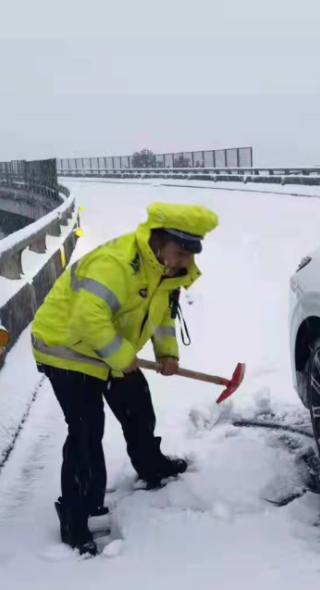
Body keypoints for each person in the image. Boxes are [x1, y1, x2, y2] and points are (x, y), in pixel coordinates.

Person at [31, 202, 219, 554]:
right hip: (65, 346)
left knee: (137, 407)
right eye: (180, 253)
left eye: (190, 256)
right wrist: (121, 356)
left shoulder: (162, 269)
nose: (185, 263)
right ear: (159, 242)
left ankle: (150, 464)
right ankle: (77, 514)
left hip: (110, 344)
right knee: (86, 429)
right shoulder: (116, 265)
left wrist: (167, 353)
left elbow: (161, 314)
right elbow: (88, 318)